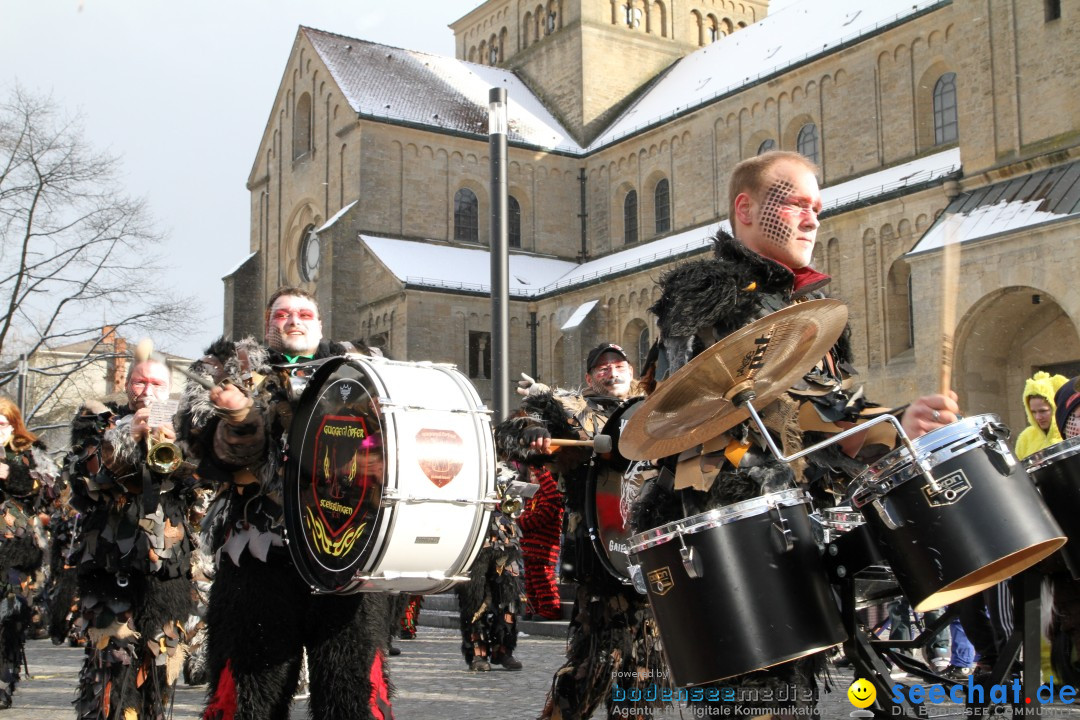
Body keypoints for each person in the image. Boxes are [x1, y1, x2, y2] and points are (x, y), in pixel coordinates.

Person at [632, 150, 958, 717]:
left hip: (798, 526)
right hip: (737, 532)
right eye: (798, 205)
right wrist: (863, 430)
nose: (813, 219)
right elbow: (720, 402)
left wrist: (897, 423)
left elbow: (829, 411)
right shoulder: (709, 291)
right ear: (748, 209)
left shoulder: (809, 310)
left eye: (819, 208)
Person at [176, 287, 393, 720]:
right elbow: (206, 453)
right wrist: (239, 418)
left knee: (350, 690)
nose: (293, 320)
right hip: (258, 553)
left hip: (344, 549)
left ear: (319, 323)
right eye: (282, 314)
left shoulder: (361, 368)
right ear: (266, 322)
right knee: (250, 690)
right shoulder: (232, 368)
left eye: (304, 313)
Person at [495, 343, 666, 720]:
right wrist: (533, 430)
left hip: (651, 552)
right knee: (595, 660)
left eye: (618, 365)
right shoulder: (569, 408)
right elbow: (511, 430)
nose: (611, 372)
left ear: (632, 371)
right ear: (590, 378)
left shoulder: (656, 407)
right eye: (601, 368)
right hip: (599, 551)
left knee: (644, 668)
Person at [63, 348, 197, 719]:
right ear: (126, 384)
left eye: (157, 383)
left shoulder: (185, 425)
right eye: (140, 381)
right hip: (108, 563)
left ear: (169, 388)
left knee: (158, 668)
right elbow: (80, 480)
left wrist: (176, 444)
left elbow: (199, 479)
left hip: (167, 569)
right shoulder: (98, 421)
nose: (148, 390)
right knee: (112, 668)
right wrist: (122, 439)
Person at [0, 397, 54, 709]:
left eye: (3, 423)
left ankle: (4, 683)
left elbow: (51, 488)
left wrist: (10, 474)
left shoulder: (29, 450)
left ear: (14, 424)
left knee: (9, 618)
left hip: (16, 547)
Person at [454, 468, 526, 672]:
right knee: (474, 602)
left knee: (509, 601)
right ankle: (478, 655)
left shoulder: (510, 465)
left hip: (507, 543)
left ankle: (503, 650)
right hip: (474, 544)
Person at [516, 464, 563, 621]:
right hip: (530, 546)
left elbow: (539, 517)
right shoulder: (535, 496)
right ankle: (533, 607)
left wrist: (518, 522)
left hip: (543, 546)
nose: (531, 478)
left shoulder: (551, 496)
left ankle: (550, 609)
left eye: (535, 476)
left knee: (543, 578)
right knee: (530, 579)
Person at [1015, 371, 1069, 460]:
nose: (1038, 417)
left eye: (1043, 411)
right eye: (1033, 412)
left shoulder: (1070, 433)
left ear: (1056, 408)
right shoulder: (1025, 438)